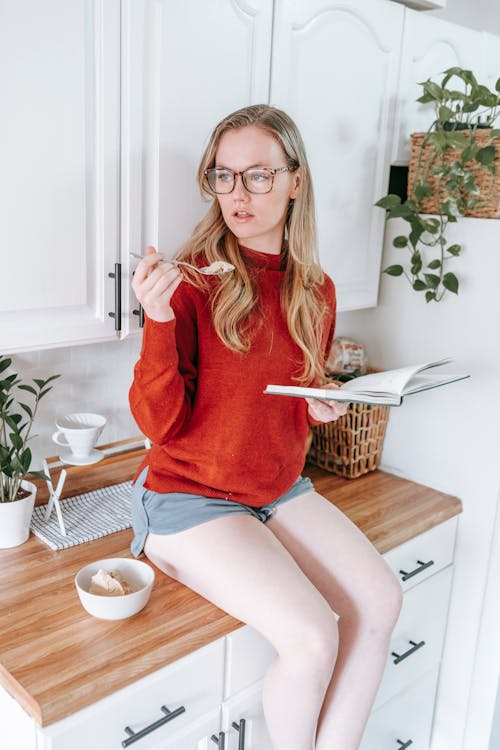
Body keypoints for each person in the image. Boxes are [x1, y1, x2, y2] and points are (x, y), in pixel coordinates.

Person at [129, 104, 403, 750]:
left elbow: (288, 393)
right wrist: (158, 319)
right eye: (223, 176)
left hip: (274, 490)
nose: (237, 194)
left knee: (382, 601)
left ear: (295, 181)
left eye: (257, 176)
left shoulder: (318, 291)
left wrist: (320, 403)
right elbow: (158, 424)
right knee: (312, 638)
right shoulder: (192, 282)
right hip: (185, 497)